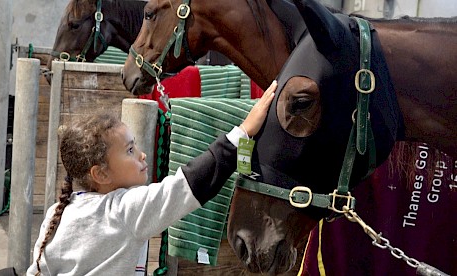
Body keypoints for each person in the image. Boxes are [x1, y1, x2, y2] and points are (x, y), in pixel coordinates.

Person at [26, 81, 277, 275]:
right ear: (100, 174)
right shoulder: (124, 211)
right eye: (130, 150)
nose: (143, 155)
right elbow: (187, 186)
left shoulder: (59, 211)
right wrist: (243, 131)